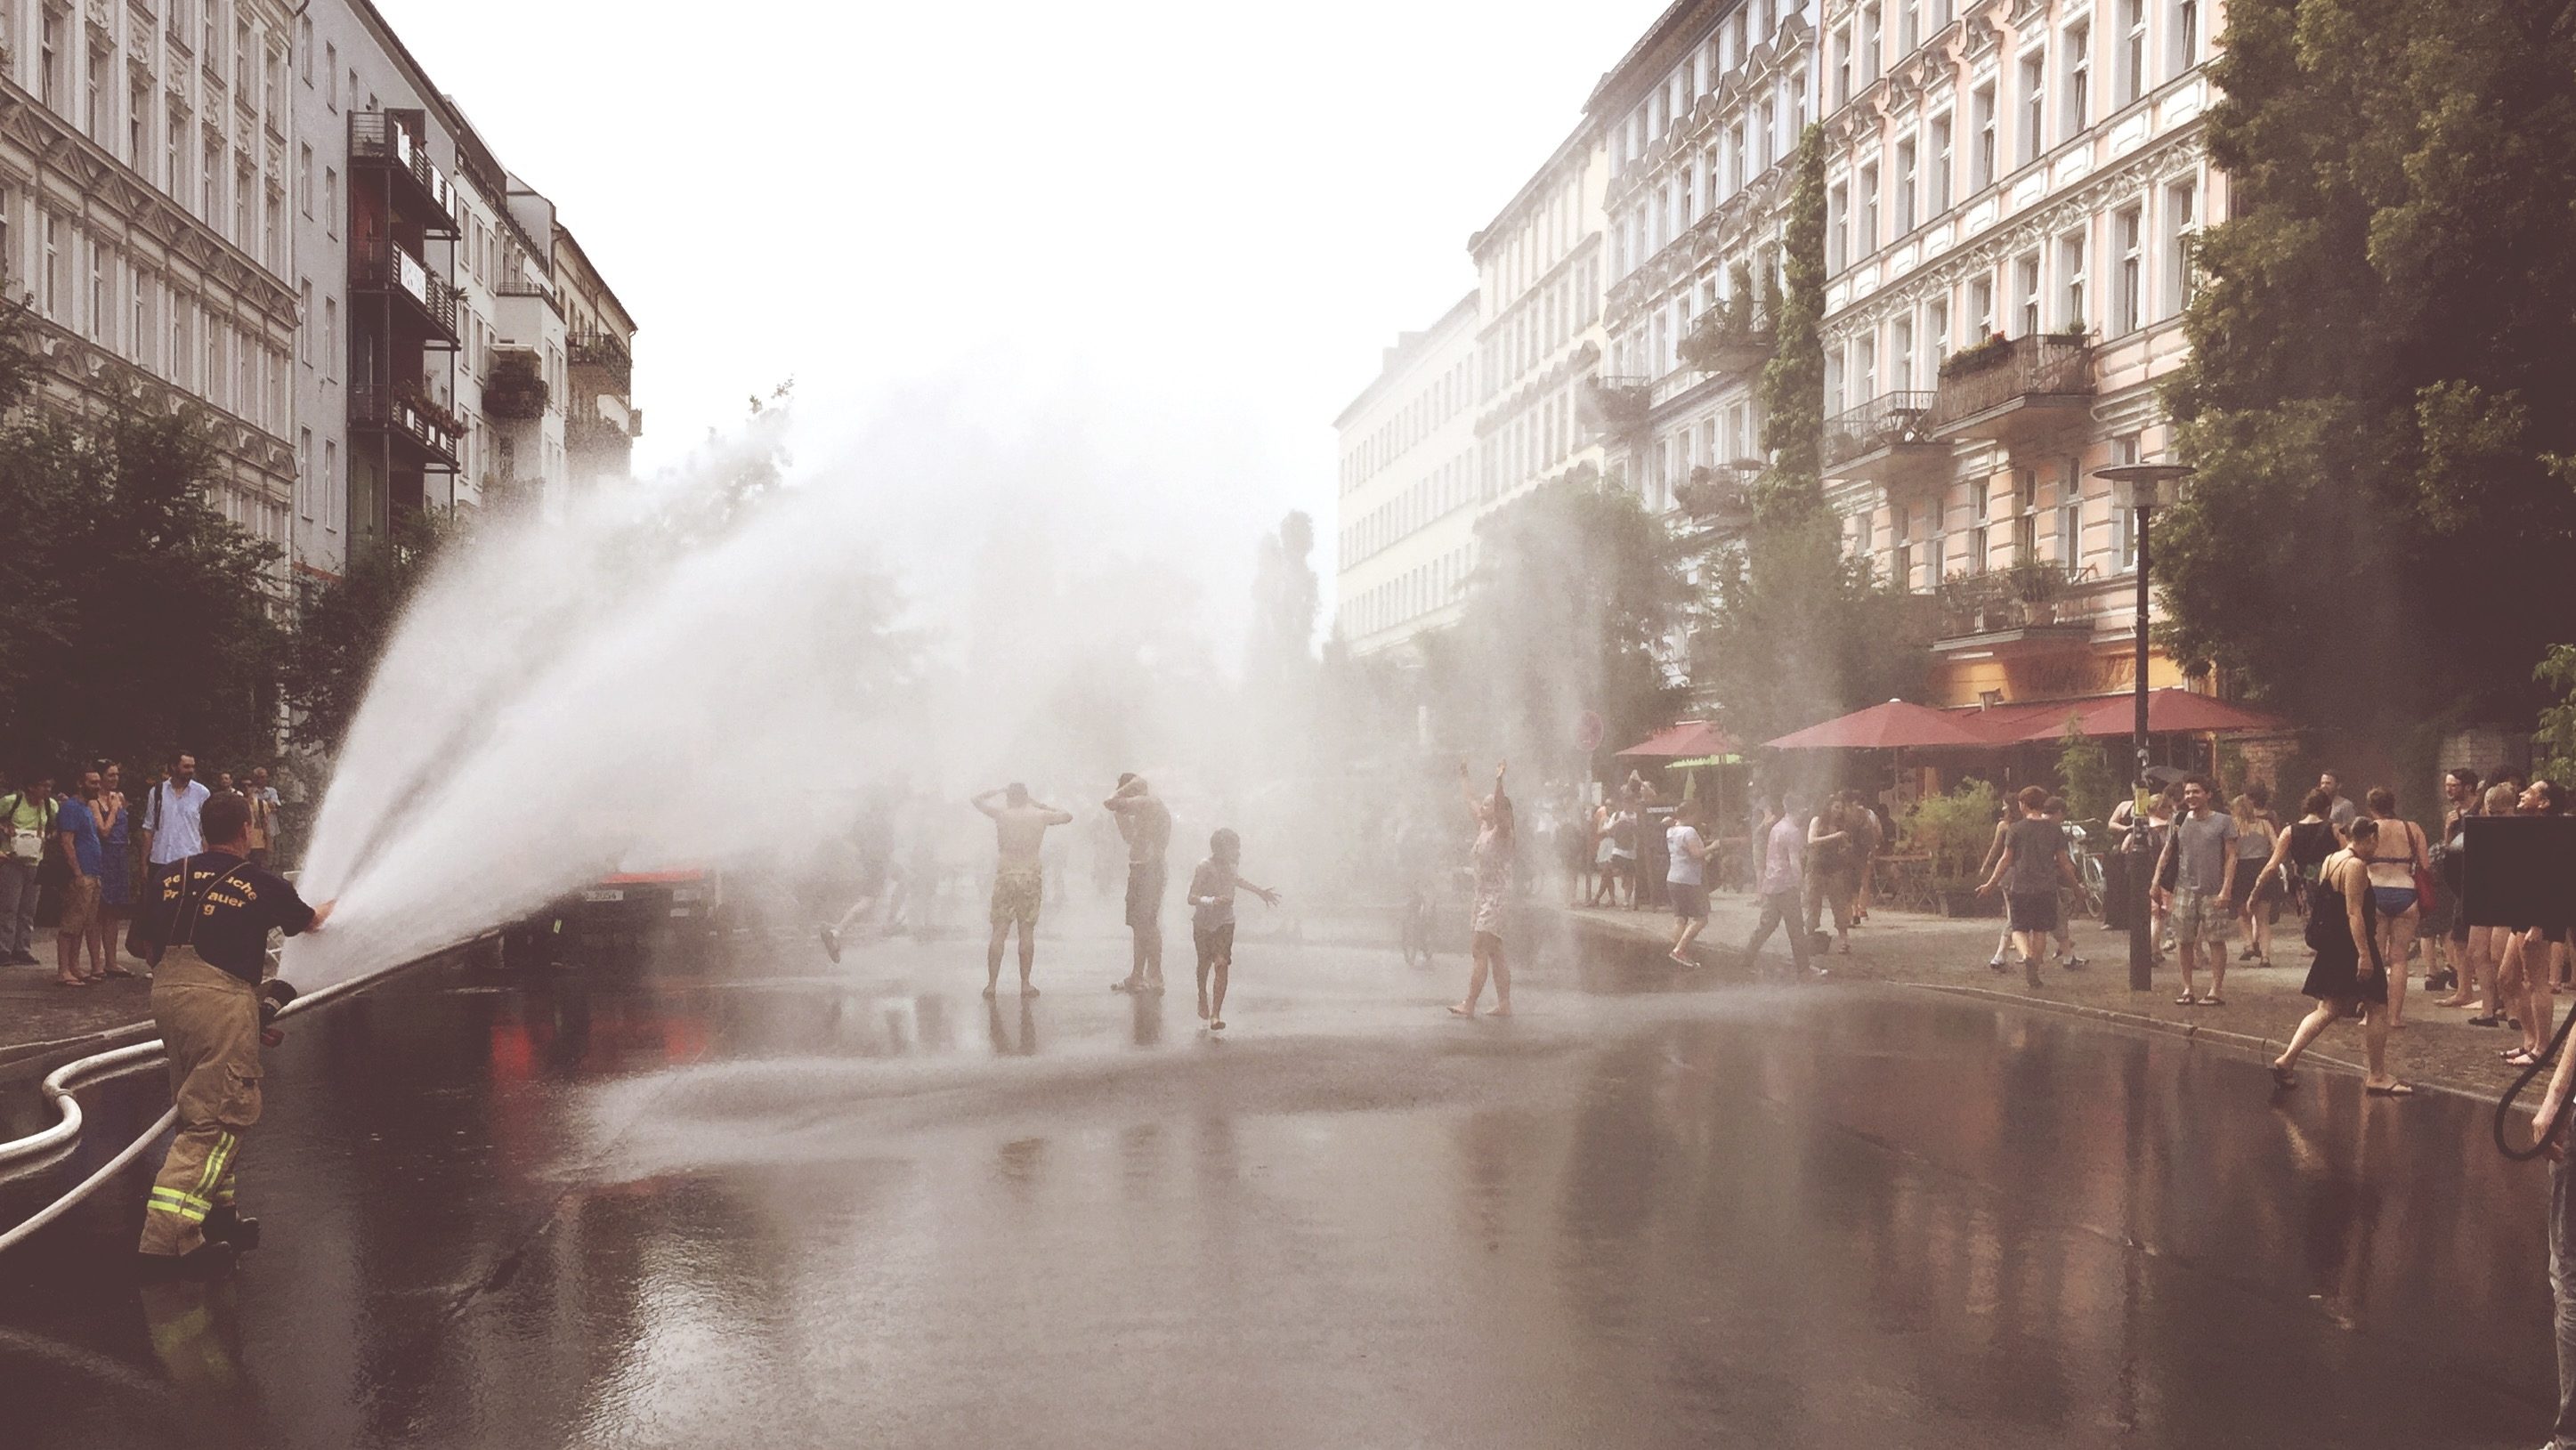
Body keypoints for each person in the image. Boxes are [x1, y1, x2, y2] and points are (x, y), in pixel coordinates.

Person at [132, 790, 335, 1273]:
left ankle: (217, 1217)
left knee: (196, 1101)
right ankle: (165, 1241)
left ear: (204, 830)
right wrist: (338, 904)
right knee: (219, 1116)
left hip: (165, 994)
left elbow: (140, 944)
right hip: (219, 1001)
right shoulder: (259, 882)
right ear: (247, 830)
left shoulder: (168, 875)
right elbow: (311, 925)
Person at [2266, 817, 2411, 1097]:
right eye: (2375, 841)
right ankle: (2377, 1075)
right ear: (2369, 838)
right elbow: (2354, 913)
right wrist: (2365, 956)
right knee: (2378, 1007)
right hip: (2352, 947)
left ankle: (2287, 1059)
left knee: (2328, 1009)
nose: (2376, 847)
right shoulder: (2355, 866)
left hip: (2333, 946)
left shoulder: (2332, 860)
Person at [971, 784, 1073, 998]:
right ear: (1026, 797)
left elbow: (976, 800)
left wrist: (996, 790)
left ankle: (991, 984)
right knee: (1026, 931)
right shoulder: (1039, 815)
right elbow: (1067, 816)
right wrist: (1038, 804)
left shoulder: (1001, 814)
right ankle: (1025, 983)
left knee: (999, 931)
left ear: (1009, 798)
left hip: (1006, 874)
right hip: (1030, 875)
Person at [1977, 786, 2078, 991]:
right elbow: (2064, 862)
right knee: (2040, 930)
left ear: (2023, 805)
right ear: (2042, 805)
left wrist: (1991, 883)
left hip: (2021, 886)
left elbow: (2005, 859)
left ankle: (2026, 956)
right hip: (2047, 888)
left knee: (2018, 928)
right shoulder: (2054, 830)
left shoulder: (2016, 829)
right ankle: (2036, 968)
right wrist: (2076, 886)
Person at [2497, 780, 2569, 1069]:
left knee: (2535, 981)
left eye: (2531, 792)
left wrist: (2538, 924)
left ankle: (2542, 1048)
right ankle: (2529, 1040)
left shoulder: (2552, 833)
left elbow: (2551, 880)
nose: (2523, 793)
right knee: (2507, 977)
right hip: (2524, 911)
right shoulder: (2530, 829)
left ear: (2545, 803)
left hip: (2540, 914)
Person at [2153, 775, 2240, 1006]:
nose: (2191, 796)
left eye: (2196, 792)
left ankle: (2215, 990)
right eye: (2188, 792)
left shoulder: (2223, 821)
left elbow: (2232, 856)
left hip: (2213, 888)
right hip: (2184, 888)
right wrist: (2156, 881)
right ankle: (2187, 988)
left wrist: (2226, 889)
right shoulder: (2179, 819)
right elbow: (2168, 851)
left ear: (2208, 794)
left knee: (2216, 940)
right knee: (2184, 940)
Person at [1187, 827, 1279, 1031]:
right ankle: (1202, 996)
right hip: (1203, 923)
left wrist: (1260, 892)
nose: (1237, 851)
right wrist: (1211, 901)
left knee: (1221, 964)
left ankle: (1216, 1014)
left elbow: (1238, 881)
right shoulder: (1204, 867)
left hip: (1225, 922)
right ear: (1220, 848)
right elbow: (1191, 897)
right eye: (1234, 847)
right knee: (1204, 965)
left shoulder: (1230, 866)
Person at [2358, 786, 2429, 1029]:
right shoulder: (2412, 828)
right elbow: (2426, 865)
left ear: (2371, 807)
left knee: (2374, 958)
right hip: (2406, 893)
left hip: (2375, 891)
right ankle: (2395, 1017)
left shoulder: (2367, 829)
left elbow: (2355, 859)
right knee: (2399, 959)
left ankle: (2371, 1015)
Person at [1449, 762, 1517, 1017]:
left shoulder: (1502, 830)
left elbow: (1499, 806)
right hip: (1484, 895)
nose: (1484, 807)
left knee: (1479, 949)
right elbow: (1470, 799)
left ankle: (1469, 1004)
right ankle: (1505, 1003)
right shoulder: (1484, 827)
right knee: (1495, 951)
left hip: (1496, 897)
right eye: (1486, 805)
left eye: (1489, 805)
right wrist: (1464, 775)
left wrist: (1499, 783)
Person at [1104, 774, 1175, 995]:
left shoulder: (1149, 802)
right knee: (1139, 925)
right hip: (1141, 867)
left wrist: (1128, 789)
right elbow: (1130, 838)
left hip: (1150, 869)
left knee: (1148, 924)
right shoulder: (1141, 808)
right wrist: (1121, 815)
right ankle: (1138, 975)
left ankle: (1154, 976)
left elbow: (1110, 802)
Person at [1742, 791, 1819, 981]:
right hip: (1787, 885)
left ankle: (1746, 958)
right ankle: (1804, 969)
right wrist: (1801, 887)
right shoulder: (1792, 832)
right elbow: (1794, 862)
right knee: (1796, 929)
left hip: (1771, 883)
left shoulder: (1777, 828)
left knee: (1767, 925)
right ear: (1800, 810)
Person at [53, 769, 109, 986]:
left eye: (98, 782)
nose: (97, 786)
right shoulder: (71, 808)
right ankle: (63, 969)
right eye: (92, 782)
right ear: (80, 783)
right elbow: (67, 841)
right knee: (71, 921)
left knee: (85, 921)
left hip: (94, 872)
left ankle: (74, 965)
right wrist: (77, 872)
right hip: (81, 872)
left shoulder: (86, 808)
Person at [0, 767, 56, 967]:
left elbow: (56, 827)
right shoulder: (12, 802)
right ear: (31, 787)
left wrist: (50, 834)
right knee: (9, 907)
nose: (47, 790)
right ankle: (4, 949)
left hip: (36, 861)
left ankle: (23, 948)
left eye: (50, 786)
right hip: (12, 861)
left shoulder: (51, 806)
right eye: (43, 786)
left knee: (28, 909)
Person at [139, 752, 211, 901]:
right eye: (186, 766)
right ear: (174, 767)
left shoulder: (202, 793)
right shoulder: (157, 792)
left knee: (187, 906)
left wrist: (206, 863)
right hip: (160, 860)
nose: (191, 770)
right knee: (159, 908)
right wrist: (144, 863)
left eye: (192, 767)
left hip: (189, 861)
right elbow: (148, 830)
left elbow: (206, 832)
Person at [2231, 784, 2283, 968]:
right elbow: (2277, 846)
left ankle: (2248, 945)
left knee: (2243, 913)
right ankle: (2266, 956)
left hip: (2242, 870)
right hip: (2263, 867)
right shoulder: (2265, 824)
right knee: (2263, 919)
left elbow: (2232, 852)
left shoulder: (2235, 827)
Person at [93, 762, 136, 976]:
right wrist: (113, 809)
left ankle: (112, 960)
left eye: (117, 775)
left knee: (114, 912)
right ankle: (96, 961)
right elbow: (104, 831)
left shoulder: (120, 796)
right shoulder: (95, 802)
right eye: (110, 775)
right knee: (97, 910)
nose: (115, 779)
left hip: (119, 857)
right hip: (103, 857)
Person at [1665, 799, 1714, 966]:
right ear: (1691, 814)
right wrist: (1714, 846)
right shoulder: (1689, 832)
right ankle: (1679, 950)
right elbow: (1696, 854)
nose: (1699, 818)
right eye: (1697, 814)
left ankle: (1674, 950)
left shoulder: (1671, 831)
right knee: (1701, 918)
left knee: (1680, 919)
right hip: (1689, 880)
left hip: (1673, 878)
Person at [1846, 790, 1885, 925]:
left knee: (1851, 882)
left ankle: (1853, 910)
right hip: (1867, 851)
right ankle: (1863, 910)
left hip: (1851, 852)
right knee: (1865, 881)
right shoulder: (1871, 814)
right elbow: (1879, 832)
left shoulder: (1847, 814)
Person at [243, 768, 279, 869]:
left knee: (269, 863)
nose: (263, 780)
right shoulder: (242, 800)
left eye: (265, 777)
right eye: (260, 777)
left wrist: (263, 804)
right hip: (247, 840)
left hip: (266, 834)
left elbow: (274, 806)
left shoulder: (270, 792)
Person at [2318, 772, 2360, 836]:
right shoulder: (2317, 805)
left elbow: (2350, 832)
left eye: (2328, 783)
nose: (2324, 786)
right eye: (2322, 783)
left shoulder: (2346, 805)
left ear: (2338, 785)